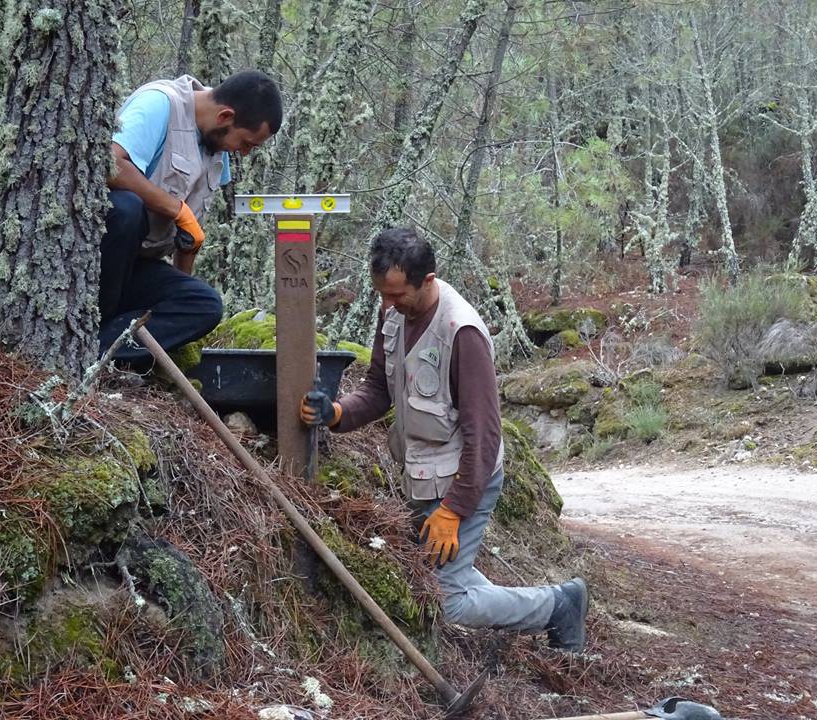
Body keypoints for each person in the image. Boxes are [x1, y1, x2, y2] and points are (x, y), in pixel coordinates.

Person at [300, 227, 589, 651]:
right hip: (420, 475)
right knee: (437, 576)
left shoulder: (462, 333)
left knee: (446, 599)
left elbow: (484, 436)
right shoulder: (394, 313)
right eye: (381, 294)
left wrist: (453, 512)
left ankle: (556, 606)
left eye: (397, 295)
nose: (387, 305)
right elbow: (379, 388)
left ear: (428, 281)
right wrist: (337, 413)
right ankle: (547, 604)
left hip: (464, 479)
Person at [98, 70, 282, 362]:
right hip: (99, 261)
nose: (244, 153)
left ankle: (101, 350)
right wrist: (174, 208)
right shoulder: (159, 105)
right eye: (246, 143)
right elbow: (110, 165)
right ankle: (90, 329)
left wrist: (187, 254)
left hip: (138, 268)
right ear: (225, 117)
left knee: (205, 305)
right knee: (126, 209)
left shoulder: (216, 148)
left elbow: (186, 231)